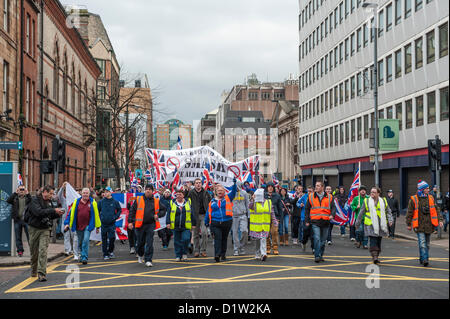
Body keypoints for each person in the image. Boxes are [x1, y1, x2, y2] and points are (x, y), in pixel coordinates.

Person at [26, 185, 64, 281]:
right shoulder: (34, 200)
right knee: (34, 253)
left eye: (52, 193)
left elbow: (49, 215)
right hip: (34, 228)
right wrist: (53, 210)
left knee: (43, 250)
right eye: (50, 193)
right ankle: (34, 270)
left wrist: (57, 214)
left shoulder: (49, 202)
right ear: (44, 192)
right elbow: (38, 212)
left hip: (45, 229)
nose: (51, 195)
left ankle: (41, 273)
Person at [406, 180, 443, 267]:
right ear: (422, 189)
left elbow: (437, 210)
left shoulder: (431, 198)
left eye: (428, 188)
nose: (428, 189)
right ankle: (425, 259)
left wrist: (440, 220)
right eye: (426, 188)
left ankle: (422, 258)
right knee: (422, 243)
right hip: (419, 226)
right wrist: (408, 224)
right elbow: (409, 212)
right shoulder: (414, 199)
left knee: (427, 244)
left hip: (429, 225)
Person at [128, 184, 167, 267]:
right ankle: (140, 254)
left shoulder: (156, 200)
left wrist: (158, 215)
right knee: (140, 243)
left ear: (152, 191)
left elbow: (163, 209)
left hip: (151, 224)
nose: (148, 191)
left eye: (150, 189)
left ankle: (148, 259)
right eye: (146, 189)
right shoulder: (138, 200)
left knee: (149, 242)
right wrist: (130, 222)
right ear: (144, 190)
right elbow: (132, 211)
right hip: (139, 225)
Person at [355, 187, 393, 264]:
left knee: (378, 240)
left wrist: (390, 220)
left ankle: (376, 255)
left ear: (378, 193)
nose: (372, 193)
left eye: (374, 192)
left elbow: (388, 211)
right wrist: (357, 223)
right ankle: (374, 256)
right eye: (371, 192)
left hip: (381, 225)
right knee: (373, 239)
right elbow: (361, 213)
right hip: (370, 224)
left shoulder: (383, 201)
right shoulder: (367, 201)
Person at [64, 188, 101, 265]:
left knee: (86, 240)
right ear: (81, 193)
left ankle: (84, 257)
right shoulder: (76, 202)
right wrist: (66, 223)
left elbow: (96, 215)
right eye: (84, 193)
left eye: (86, 193)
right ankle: (81, 254)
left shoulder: (92, 202)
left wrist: (97, 226)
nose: (85, 194)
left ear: (89, 194)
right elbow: (70, 213)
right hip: (78, 225)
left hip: (88, 225)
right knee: (80, 242)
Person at [205, 180, 237, 262]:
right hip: (215, 223)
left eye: (222, 190)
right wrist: (206, 221)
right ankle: (217, 255)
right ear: (216, 192)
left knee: (224, 239)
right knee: (217, 239)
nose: (220, 192)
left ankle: (223, 254)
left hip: (227, 222)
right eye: (219, 190)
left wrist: (234, 183)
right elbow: (208, 212)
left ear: (224, 192)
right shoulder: (212, 201)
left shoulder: (228, 198)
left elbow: (233, 191)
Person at [305, 181, 336, 263]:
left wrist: (332, 215)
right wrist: (307, 220)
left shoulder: (329, 197)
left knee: (323, 241)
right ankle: (317, 256)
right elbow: (307, 209)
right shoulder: (311, 196)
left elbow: (333, 208)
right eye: (316, 186)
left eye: (318, 186)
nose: (316, 187)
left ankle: (321, 255)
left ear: (322, 187)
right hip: (315, 221)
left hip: (325, 221)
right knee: (317, 238)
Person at [166, 188, 196, 261]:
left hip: (186, 226)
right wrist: (168, 223)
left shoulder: (188, 202)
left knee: (186, 239)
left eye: (180, 194)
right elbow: (168, 214)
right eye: (177, 194)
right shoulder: (172, 203)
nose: (178, 196)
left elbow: (192, 213)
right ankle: (178, 255)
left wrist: (194, 223)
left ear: (183, 195)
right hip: (175, 226)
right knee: (177, 241)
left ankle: (184, 253)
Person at [187, 178, 212, 257]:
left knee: (204, 233)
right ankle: (196, 250)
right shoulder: (191, 193)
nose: (198, 184)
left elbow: (210, 203)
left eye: (199, 183)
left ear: (202, 184)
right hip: (194, 215)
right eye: (196, 183)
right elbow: (186, 201)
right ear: (194, 184)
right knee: (195, 234)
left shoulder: (206, 193)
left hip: (204, 215)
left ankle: (203, 250)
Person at [248, 189, 274, 261]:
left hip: (265, 225)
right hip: (256, 226)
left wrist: (274, 220)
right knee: (257, 240)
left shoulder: (268, 202)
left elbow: (272, 212)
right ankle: (257, 253)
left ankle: (263, 254)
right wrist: (252, 199)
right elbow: (250, 207)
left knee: (263, 239)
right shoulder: (254, 202)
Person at [57, 182, 80, 261]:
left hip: (74, 222)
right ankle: (68, 250)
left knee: (74, 237)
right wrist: (62, 188)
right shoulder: (65, 201)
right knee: (66, 236)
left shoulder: (77, 202)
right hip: (65, 221)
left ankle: (75, 250)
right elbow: (59, 196)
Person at [7, 186, 32, 257]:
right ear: (18, 190)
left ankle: (32, 250)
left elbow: (32, 202)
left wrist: (28, 194)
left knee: (30, 236)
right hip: (17, 220)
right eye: (20, 189)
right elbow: (8, 200)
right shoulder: (15, 198)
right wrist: (15, 193)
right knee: (18, 237)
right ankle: (20, 251)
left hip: (26, 220)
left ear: (25, 190)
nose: (21, 191)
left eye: (23, 189)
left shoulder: (27, 198)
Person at [98, 187, 122, 260]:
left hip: (111, 223)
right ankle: (105, 254)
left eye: (107, 191)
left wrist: (115, 217)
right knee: (104, 239)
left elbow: (119, 210)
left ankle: (111, 251)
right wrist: (100, 218)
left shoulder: (115, 202)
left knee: (112, 238)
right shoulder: (101, 202)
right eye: (105, 191)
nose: (106, 193)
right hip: (104, 223)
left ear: (111, 192)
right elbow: (98, 211)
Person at [264, 182, 283, 255]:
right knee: (267, 233)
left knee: (274, 232)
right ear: (267, 188)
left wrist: (280, 219)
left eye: (271, 186)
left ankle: (275, 248)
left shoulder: (277, 196)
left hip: (275, 216)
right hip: (266, 216)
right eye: (268, 186)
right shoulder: (264, 195)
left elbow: (280, 208)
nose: (270, 188)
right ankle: (268, 247)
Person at [231, 181, 250, 256]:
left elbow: (247, 204)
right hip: (234, 215)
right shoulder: (231, 193)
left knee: (244, 231)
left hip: (243, 215)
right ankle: (236, 249)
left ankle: (242, 246)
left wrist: (248, 215)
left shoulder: (244, 193)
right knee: (235, 233)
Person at [299, 185, 314, 252]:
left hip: (314, 218)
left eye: (310, 191)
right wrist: (300, 205)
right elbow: (298, 202)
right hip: (305, 217)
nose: (309, 192)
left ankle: (313, 248)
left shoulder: (315, 197)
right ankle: (304, 242)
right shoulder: (304, 196)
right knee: (305, 232)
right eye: (308, 191)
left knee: (313, 234)